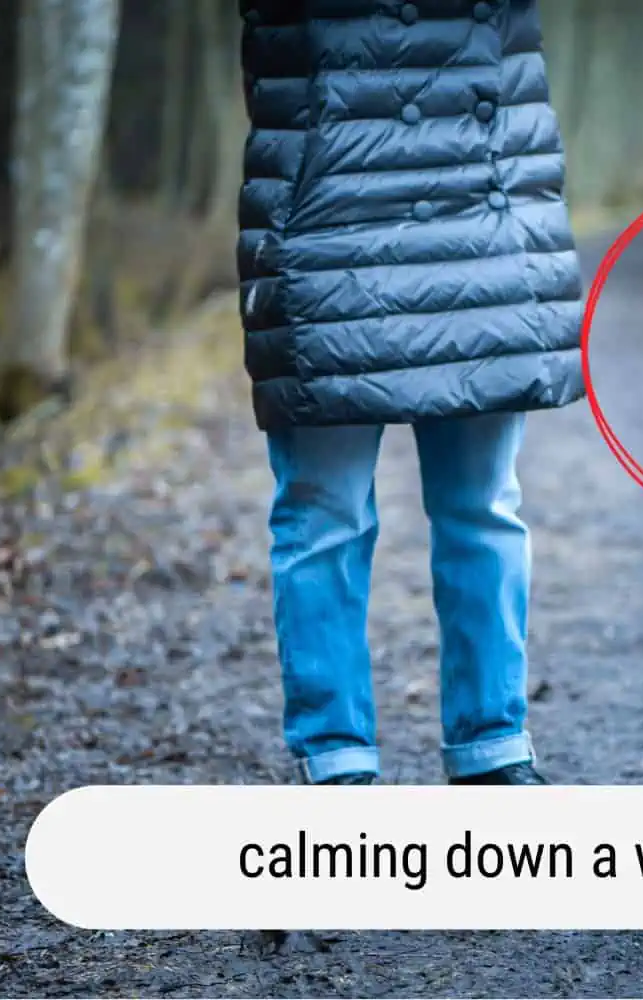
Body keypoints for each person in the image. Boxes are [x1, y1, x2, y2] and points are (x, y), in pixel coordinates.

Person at [236, 0, 584, 786]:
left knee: (465, 509)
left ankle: (477, 749)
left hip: (466, 232)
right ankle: (341, 757)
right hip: (329, 239)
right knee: (337, 514)